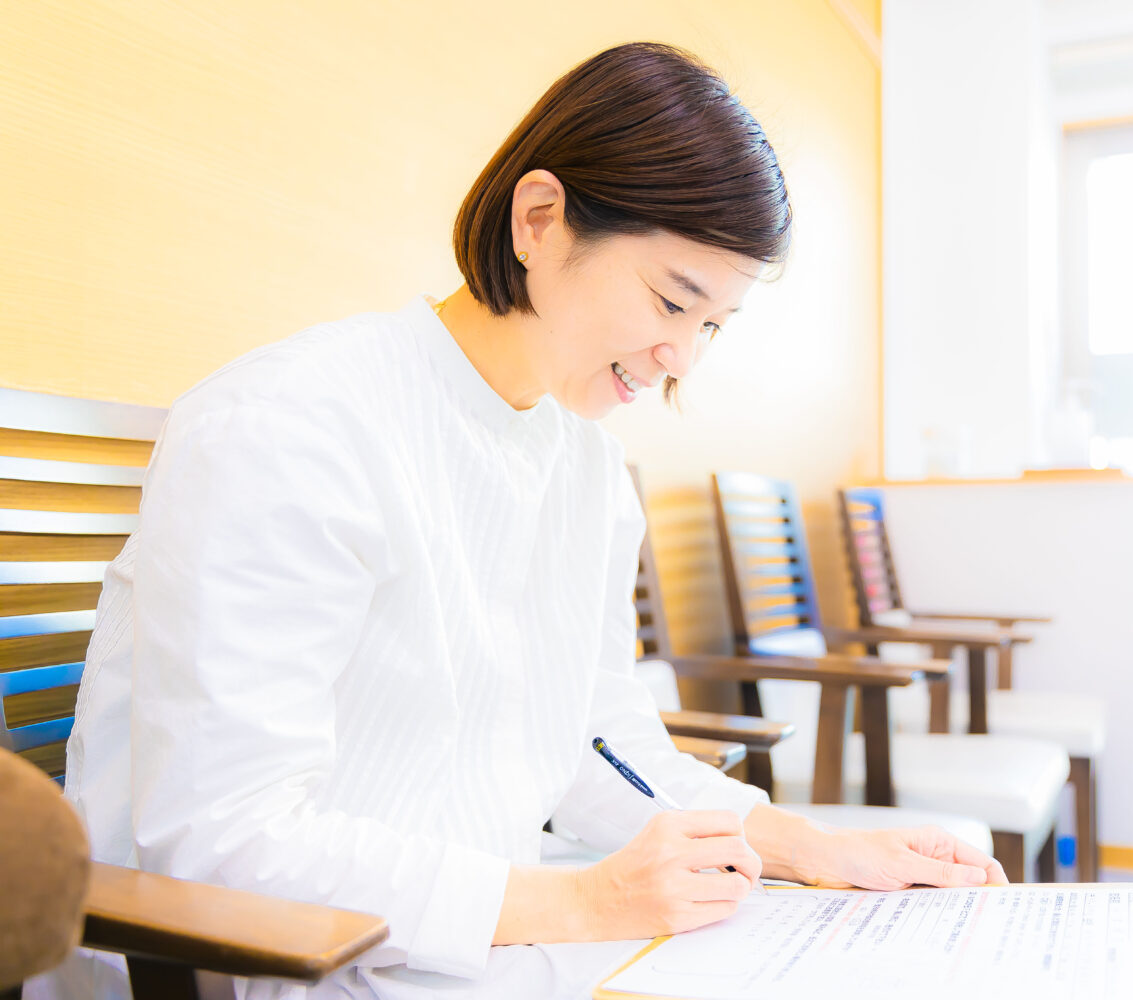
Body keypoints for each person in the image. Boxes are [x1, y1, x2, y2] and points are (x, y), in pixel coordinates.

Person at [54, 42, 1005, 1000]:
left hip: (486, 939)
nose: (682, 358)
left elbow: (596, 745)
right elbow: (225, 842)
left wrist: (805, 846)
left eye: (714, 324)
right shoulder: (294, 424)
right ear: (540, 218)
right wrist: (585, 905)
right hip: (275, 963)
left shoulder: (584, 467)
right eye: (673, 300)